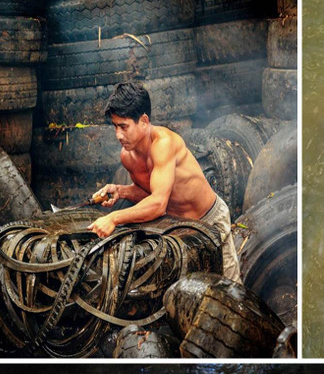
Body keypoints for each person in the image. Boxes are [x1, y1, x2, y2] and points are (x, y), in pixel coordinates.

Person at [89, 79, 240, 281]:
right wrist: (121, 191)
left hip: (208, 221)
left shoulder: (164, 143)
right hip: (176, 228)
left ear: (143, 121)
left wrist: (113, 218)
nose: (118, 135)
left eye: (124, 127)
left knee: (228, 290)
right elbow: (150, 192)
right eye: (115, 127)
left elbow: (158, 203)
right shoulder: (127, 156)